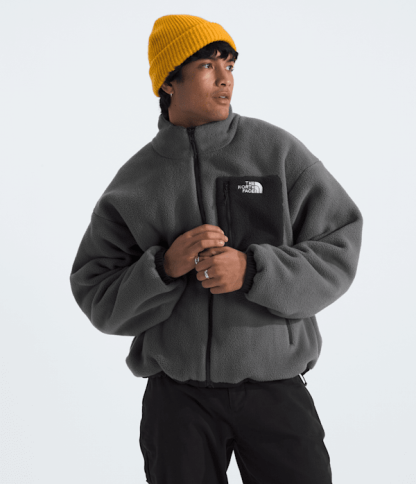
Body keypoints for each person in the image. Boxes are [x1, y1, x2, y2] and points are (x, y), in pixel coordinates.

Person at [69, 13, 363, 484]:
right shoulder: (135, 184)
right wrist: (163, 269)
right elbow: (96, 293)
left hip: (275, 388)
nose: (226, 78)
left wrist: (254, 270)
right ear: (169, 82)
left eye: (229, 65)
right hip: (177, 402)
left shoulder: (277, 152)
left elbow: (339, 244)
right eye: (207, 65)